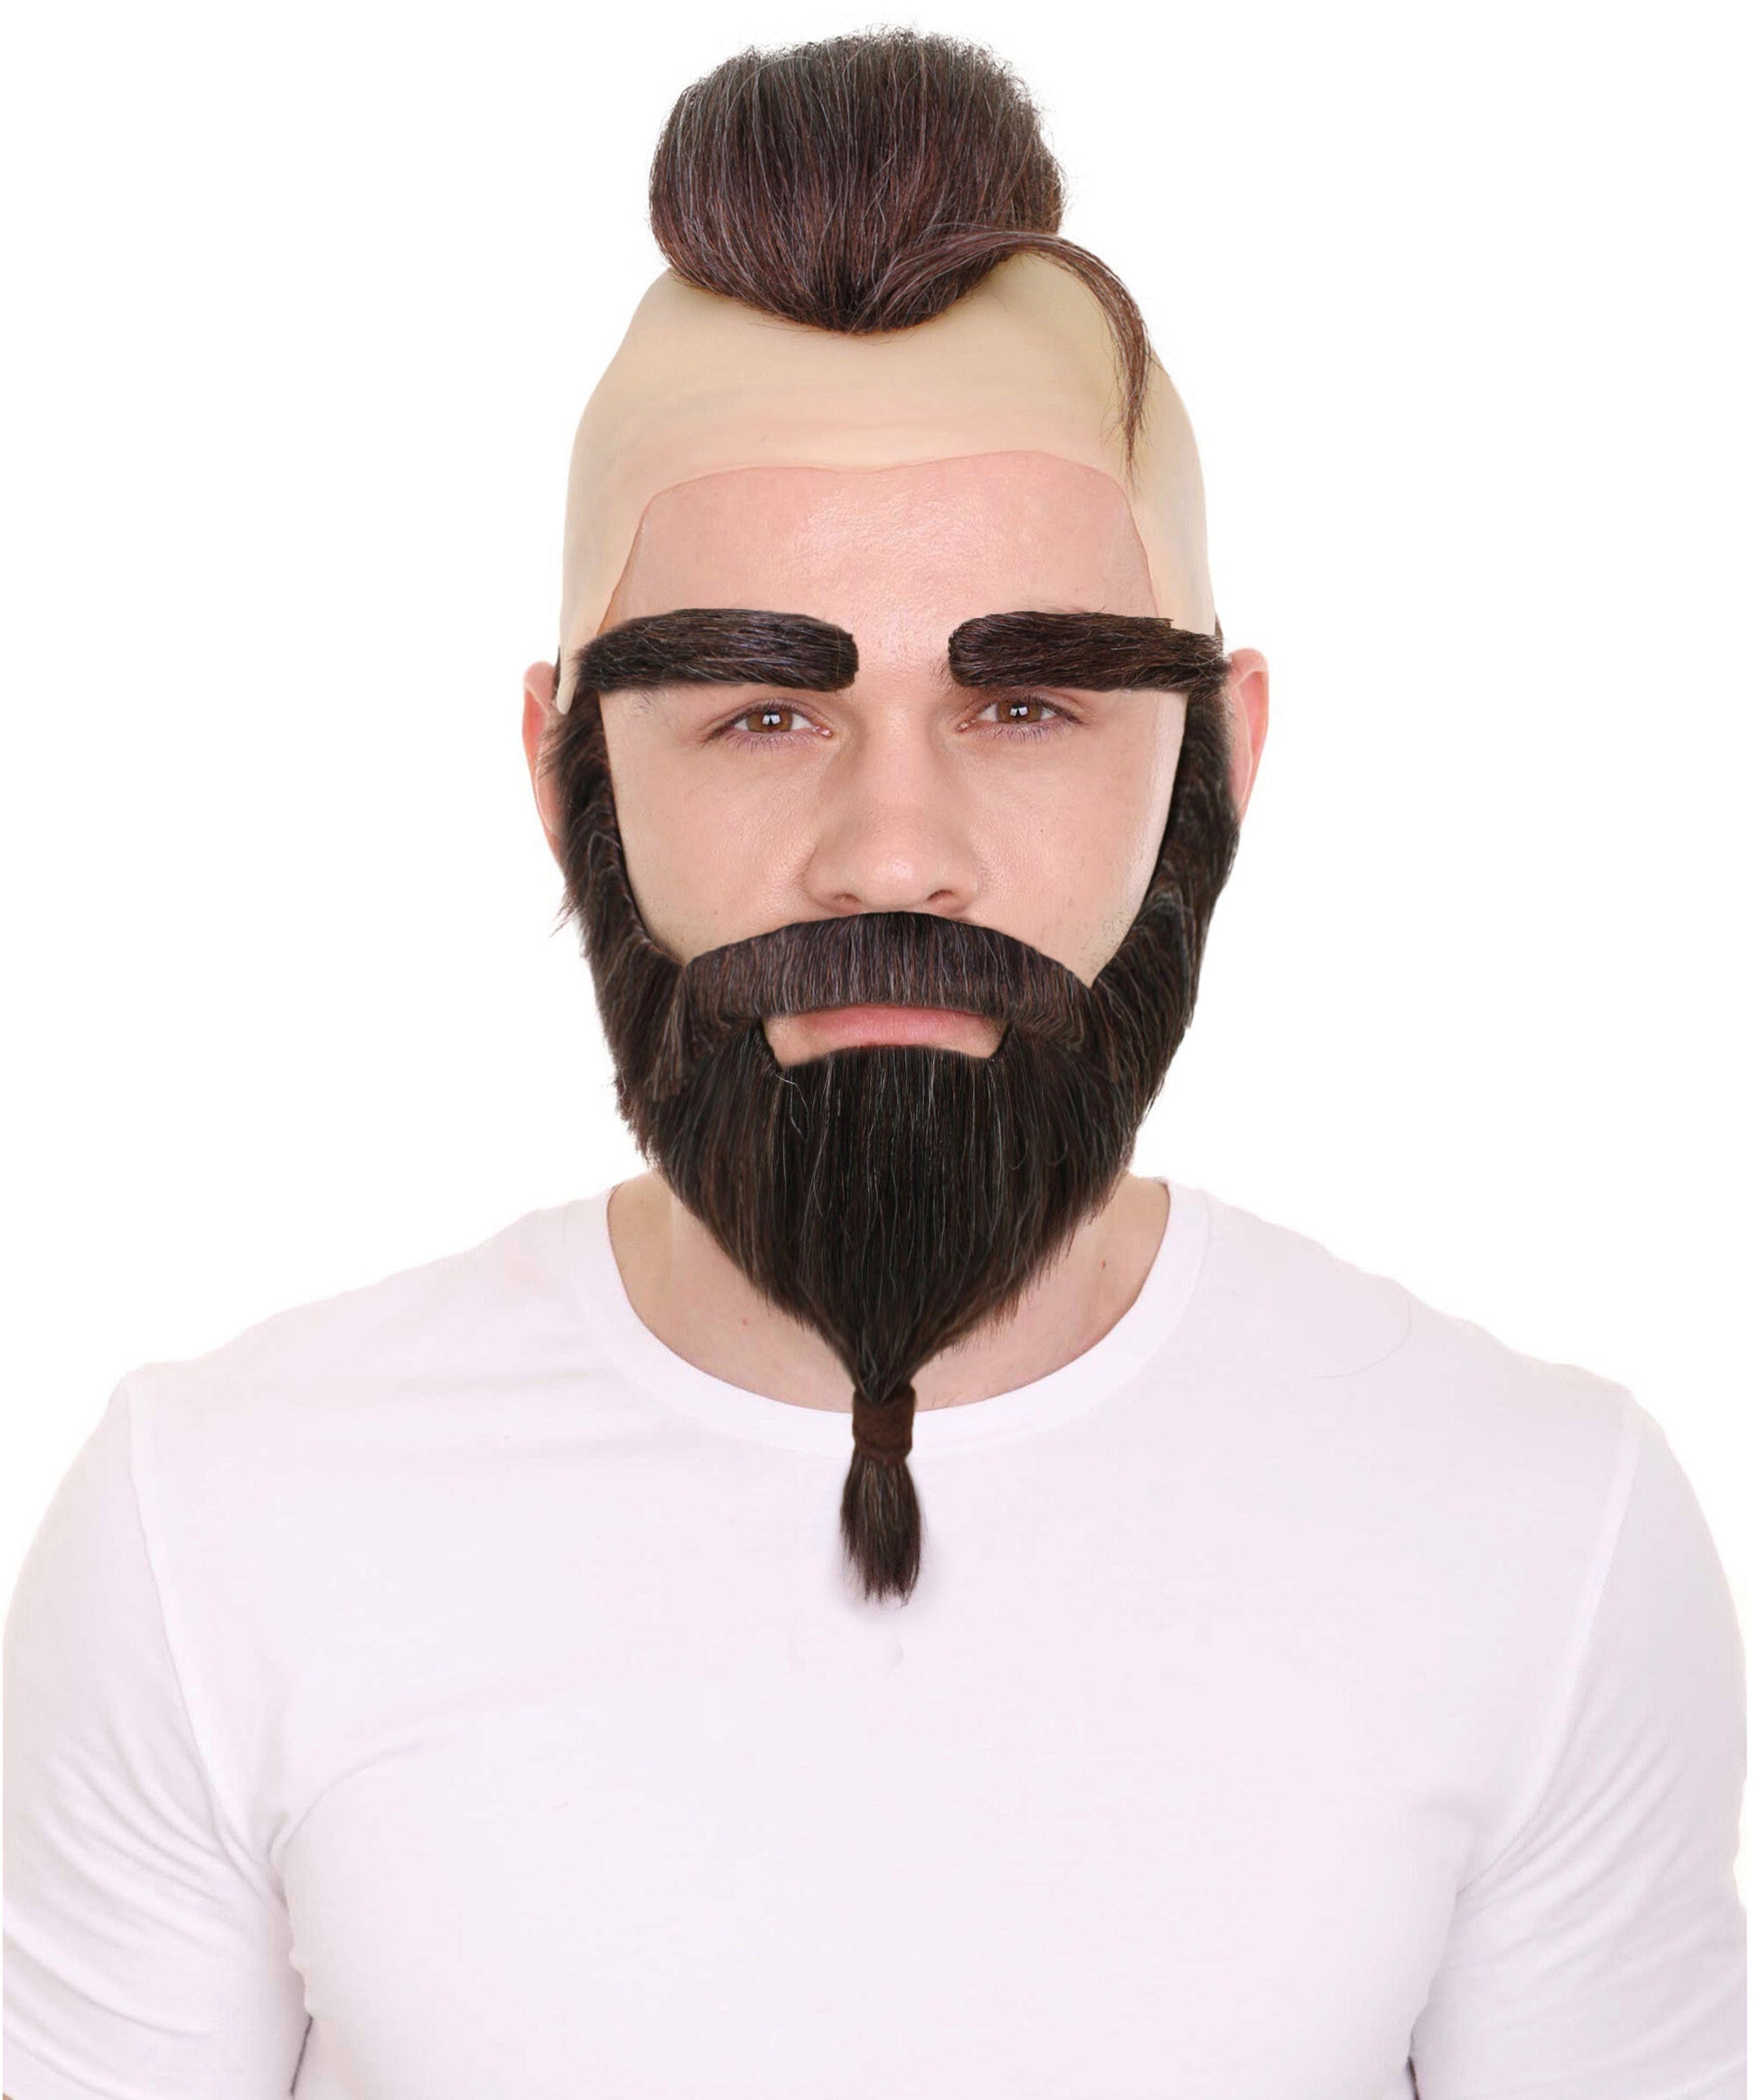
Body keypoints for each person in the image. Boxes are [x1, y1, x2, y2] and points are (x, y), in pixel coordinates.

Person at [4, 29, 1744, 2100]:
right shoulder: (217, 1525)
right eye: (761, 711)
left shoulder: (1539, 1536)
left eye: (1026, 707)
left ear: (1216, 763)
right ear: (568, 779)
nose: (893, 849)